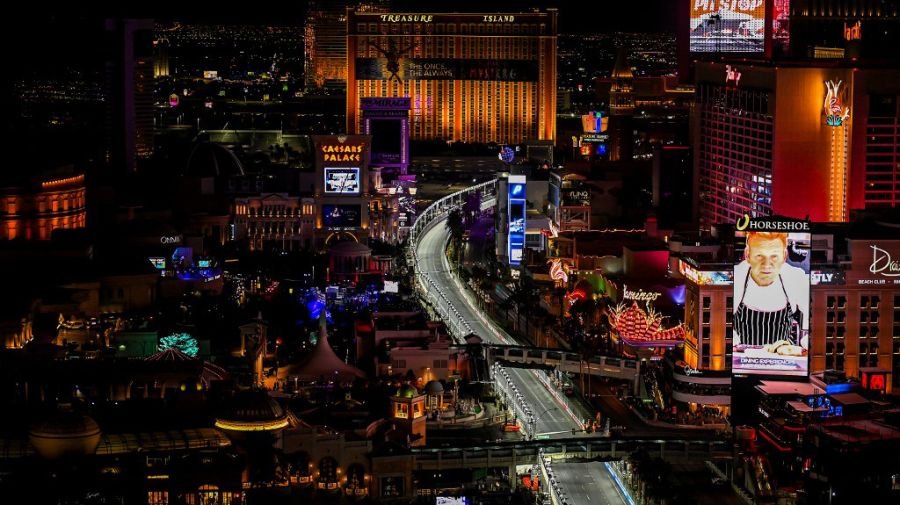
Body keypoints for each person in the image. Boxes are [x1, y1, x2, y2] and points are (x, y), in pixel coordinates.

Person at [733, 231, 809, 348]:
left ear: (784, 256)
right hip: (743, 358)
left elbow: (818, 318)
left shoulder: (796, 278)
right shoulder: (736, 277)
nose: (767, 265)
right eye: (759, 256)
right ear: (747, 255)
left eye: (774, 256)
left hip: (783, 359)